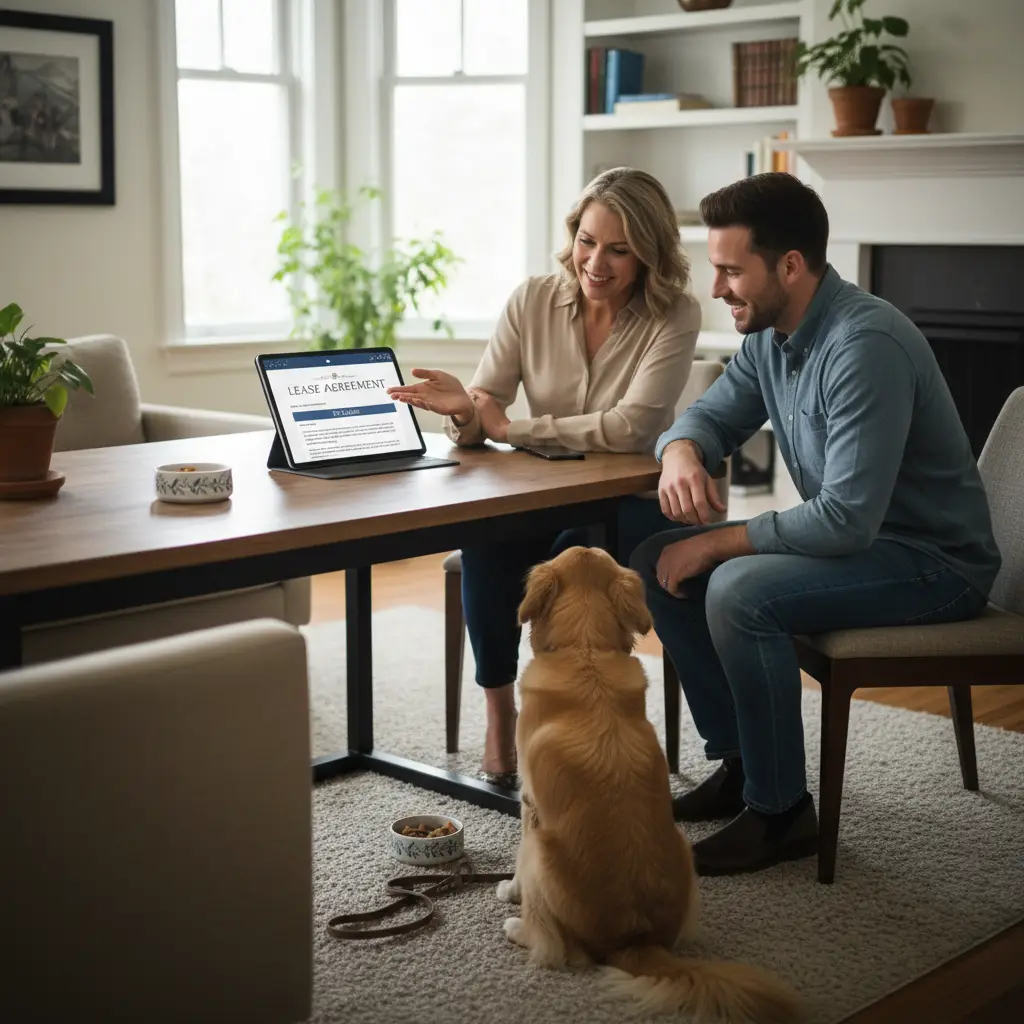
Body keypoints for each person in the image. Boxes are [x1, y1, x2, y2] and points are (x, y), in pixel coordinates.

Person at [630, 172, 1002, 876]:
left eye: (731, 270)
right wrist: (681, 452)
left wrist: (717, 541)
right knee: (656, 557)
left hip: (935, 566)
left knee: (738, 590)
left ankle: (781, 814)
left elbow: (844, 520)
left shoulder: (866, 345)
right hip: (867, 549)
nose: (717, 289)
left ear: (791, 266)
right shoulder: (773, 336)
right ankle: (744, 765)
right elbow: (711, 416)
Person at [388, 167, 702, 776]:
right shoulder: (531, 298)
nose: (597, 263)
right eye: (587, 241)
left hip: (628, 501)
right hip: (542, 491)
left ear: (650, 254)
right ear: (572, 236)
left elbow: (633, 426)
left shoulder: (676, 313)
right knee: (487, 536)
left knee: (565, 553)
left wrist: (514, 430)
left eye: (619, 249)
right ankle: (503, 719)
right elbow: (484, 404)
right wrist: (465, 415)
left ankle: (586, 719)